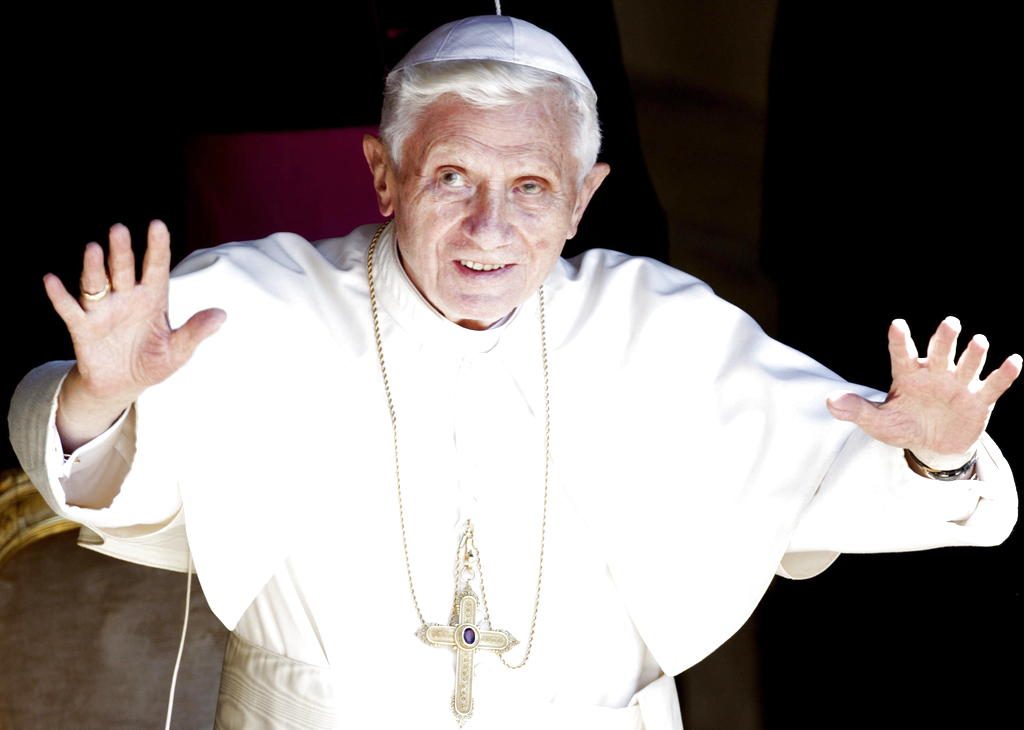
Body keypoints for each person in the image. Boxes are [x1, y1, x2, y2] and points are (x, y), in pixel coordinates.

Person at [8, 14, 1019, 730]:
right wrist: (101, 396)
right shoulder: (254, 303)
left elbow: (831, 478)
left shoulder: (664, 331)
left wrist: (935, 457)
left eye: (531, 187)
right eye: (451, 177)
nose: (489, 229)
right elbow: (87, 460)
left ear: (584, 197)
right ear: (383, 175)